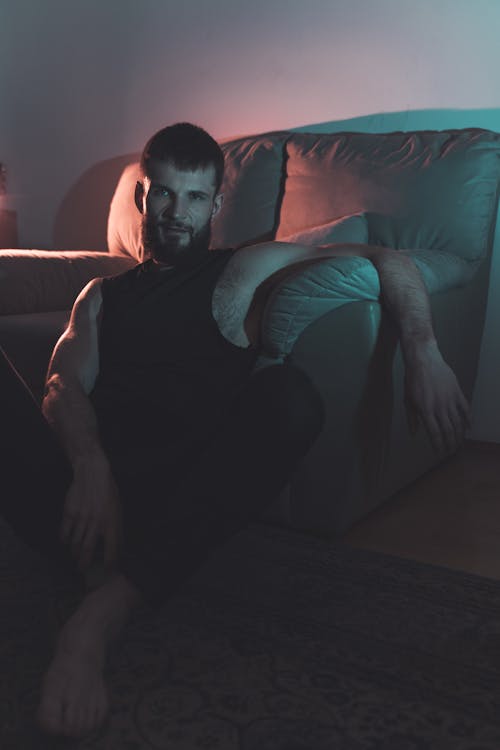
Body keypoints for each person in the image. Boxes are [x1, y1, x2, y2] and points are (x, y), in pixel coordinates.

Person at [0, 122, 470, 739]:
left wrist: (424, 352)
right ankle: (102, 575)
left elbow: (388, 259)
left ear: (216, 205)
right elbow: (61, 384)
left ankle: (102, 612)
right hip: (80, 507)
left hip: (175, 509)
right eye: (164, 193)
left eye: (195, 198)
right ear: (142, 196)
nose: (177, 212)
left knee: (289, 398)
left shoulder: (242, 270)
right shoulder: (100, 296)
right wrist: (90, 468)